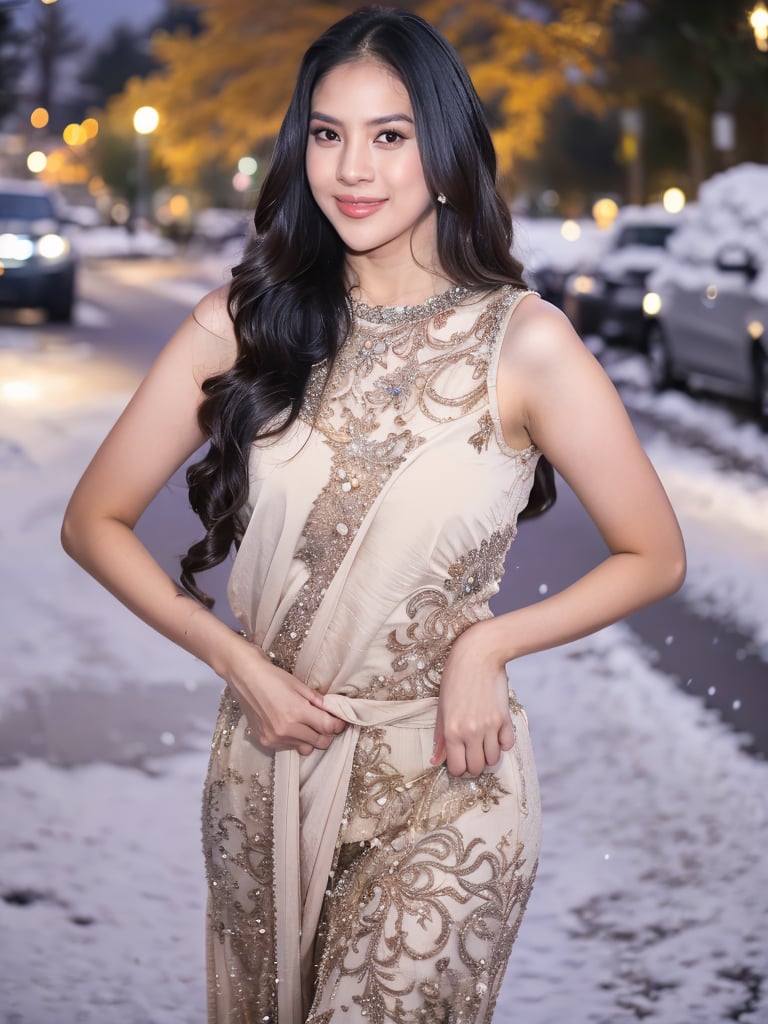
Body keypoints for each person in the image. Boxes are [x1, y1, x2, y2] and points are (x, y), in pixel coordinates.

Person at [61, 7, 686, 1022]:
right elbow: (93, 520)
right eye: (327, 132)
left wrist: (488, 645)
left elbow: (654, 554)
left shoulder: (524, 344)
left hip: (449, 783)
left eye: (389, 135)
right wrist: (236, 661)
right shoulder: (241, 324)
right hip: (268, 773)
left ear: (442, 153)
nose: (353, 167)